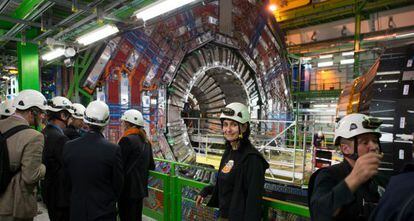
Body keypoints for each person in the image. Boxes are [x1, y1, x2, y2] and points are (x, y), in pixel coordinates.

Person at [195, 102, 269, 220]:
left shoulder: (252, 159)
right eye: (225, 124)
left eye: (234, 125)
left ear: (244, 127)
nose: (228, 129)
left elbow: (253, 202)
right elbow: (228, 185)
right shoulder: (229, 152)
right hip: (224, 215)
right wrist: (206, 190)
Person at [309, 113, 384, 221]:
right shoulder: (329, 176)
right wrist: (355, 179)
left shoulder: (381, 180)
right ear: (345, 149)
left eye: (375, 141)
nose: (374, 147)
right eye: (365, 142)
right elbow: (319, 214)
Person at [63, 100, 123, 221]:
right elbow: (119, 184)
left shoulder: (69, 146)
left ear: (85, 120)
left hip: (77, 211)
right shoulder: (113, 150)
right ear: (106, 122)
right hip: (104, 212)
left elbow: (66, 181)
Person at [0, 89, 48, 221]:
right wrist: (43, 168)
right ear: (32, 112)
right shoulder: (34, 137)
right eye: (42, 112)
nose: (43, 117)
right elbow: (30, 176)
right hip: (14, 207)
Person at [118, 109, 155, 221]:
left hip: (127, 190)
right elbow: (151, 165)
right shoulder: (146, 142)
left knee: (126, 217)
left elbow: (119, 165)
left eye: (123, 122)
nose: (122, 125)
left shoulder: (126, 140)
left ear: (128, 124)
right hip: (140, 190)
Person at [41, 96, 73, 221]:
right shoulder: (60, 138)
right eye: (69, 116)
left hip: (49, 192)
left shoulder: (44, 133)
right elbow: (68, 166)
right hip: (61, 196)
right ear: (63, 115)